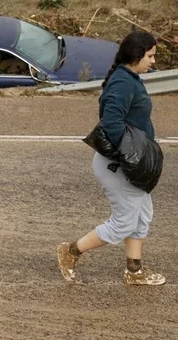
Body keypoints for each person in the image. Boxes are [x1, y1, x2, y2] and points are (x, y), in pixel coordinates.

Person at [56, 30, 166, 286]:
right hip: (119, 165)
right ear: (137, 55)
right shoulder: (123, 82)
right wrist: (131, 160)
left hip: (126, 163)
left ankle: (134, 271)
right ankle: (70, 252)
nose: (153, 61)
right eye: (150, 56)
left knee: (141, 216)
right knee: (124, 222)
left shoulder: (130, 77)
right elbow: (111, 124)